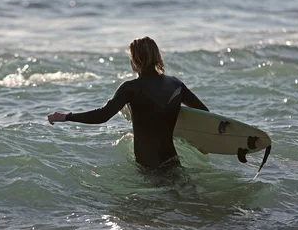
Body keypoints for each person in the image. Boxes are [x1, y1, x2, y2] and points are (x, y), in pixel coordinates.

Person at [47, 36, 210, 169]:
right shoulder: (176, 84)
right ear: (157, 56)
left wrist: (66, 116)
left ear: (135, 61)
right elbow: (204, 114)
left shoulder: (131, 88)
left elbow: (102, 115)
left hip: (148, 165)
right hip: (172, 160)